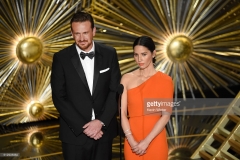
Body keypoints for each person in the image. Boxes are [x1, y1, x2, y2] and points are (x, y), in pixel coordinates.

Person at [51, 11, 121, 160]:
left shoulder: (109, 54)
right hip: (74, 135)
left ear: (94, 31)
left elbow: (114, 91)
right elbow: (59, 97)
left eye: (85, 33)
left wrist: (100, 122)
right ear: (71, 33)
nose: (81, 38)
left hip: (103, 133)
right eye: (77, 34)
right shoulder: (61, 58)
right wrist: (85, 127)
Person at [120, 36, 173, 159]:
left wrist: (146, 141)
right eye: (136, 55)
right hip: (131, 140)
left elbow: (165, 116)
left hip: (155, 139)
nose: (139, 59)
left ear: (153, 53)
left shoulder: (165, 80)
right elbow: (122, 113)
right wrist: (131, 140)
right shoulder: (126, 79)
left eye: (144, 54)